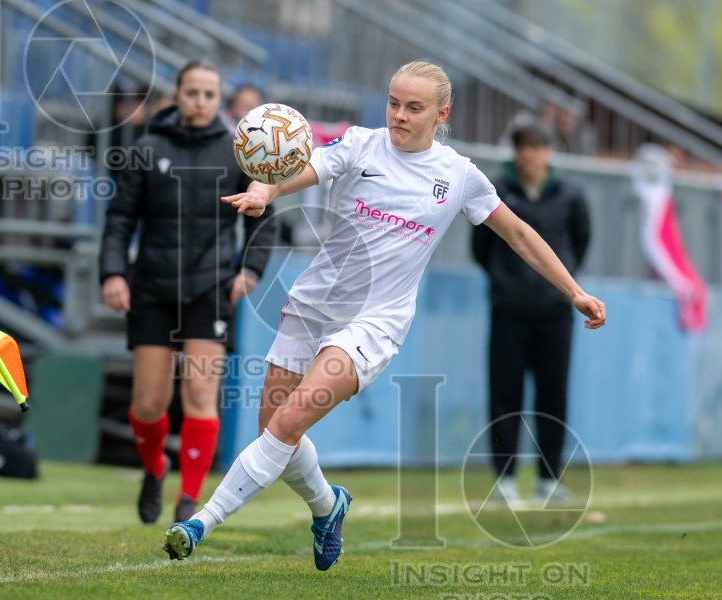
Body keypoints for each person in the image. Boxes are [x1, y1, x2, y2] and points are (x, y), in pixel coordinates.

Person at [161, 60, 606, 570]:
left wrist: (574, 291)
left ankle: (200, 524)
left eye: (413, 108)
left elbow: (519, 234)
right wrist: (266, 188)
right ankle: (328, 508)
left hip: (375, 323)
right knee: (276, 431)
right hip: (311, 308)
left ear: (442, 113)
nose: (398, 115)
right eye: (393, 103)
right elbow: (307, 170)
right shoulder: (360, 144)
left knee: (288, 420)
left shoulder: (459, 176)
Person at [100, 59, 275, 525]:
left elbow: (265, 217)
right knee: (149, 403)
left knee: (200, 392)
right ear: (177, 96)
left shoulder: (241, 151)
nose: (200, 101)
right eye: (192, 92)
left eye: (209, 94)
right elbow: (119, 220)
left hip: (210, 289)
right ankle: (154, 469)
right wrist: (113, 273)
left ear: (219, 101)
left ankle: (188, 498)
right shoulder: (146, 147)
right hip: (153, 288)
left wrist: (250, 271)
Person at [472, 121, 591, 504]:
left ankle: (547, 480)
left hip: (555, 311)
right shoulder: (498, 190)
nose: (531, 154)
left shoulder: (571, 194)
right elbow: (481, 246)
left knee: (552, 394)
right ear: (516, 151)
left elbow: (581, 242)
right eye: (525, 147)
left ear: (549, 151)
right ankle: (505, 480)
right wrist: (506, 280)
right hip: (508, 308)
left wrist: (560, 286)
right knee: (504, 393)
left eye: (538, 147)